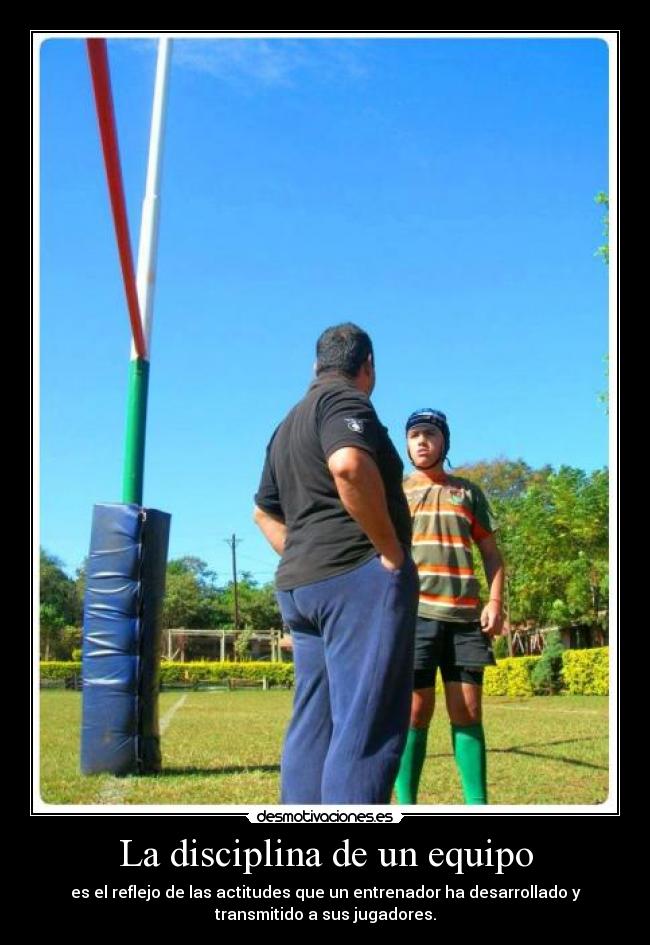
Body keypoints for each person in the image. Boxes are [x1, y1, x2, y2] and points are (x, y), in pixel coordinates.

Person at [254, 323, 419, 804]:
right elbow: (348, 464)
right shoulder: (344, 400)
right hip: (357, 580)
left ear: (315, 365)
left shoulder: (287, 423)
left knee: (315, 723)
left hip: (301, 589)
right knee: (365, 726)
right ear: (368, 366)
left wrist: (304, 553)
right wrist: (388, 550)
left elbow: (263, 510)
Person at [394, 409, 504, 805]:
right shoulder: (396, 492)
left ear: (444, 441)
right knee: (414, 713)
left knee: (469, 711)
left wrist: (495, 601)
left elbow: (491, 554)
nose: (421, 441)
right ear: (406, 444)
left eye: (429, 434)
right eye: (414, 435)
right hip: (415, 618)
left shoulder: (467, 492)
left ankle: (478, 806)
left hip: (465, 621)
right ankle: (406, 807)